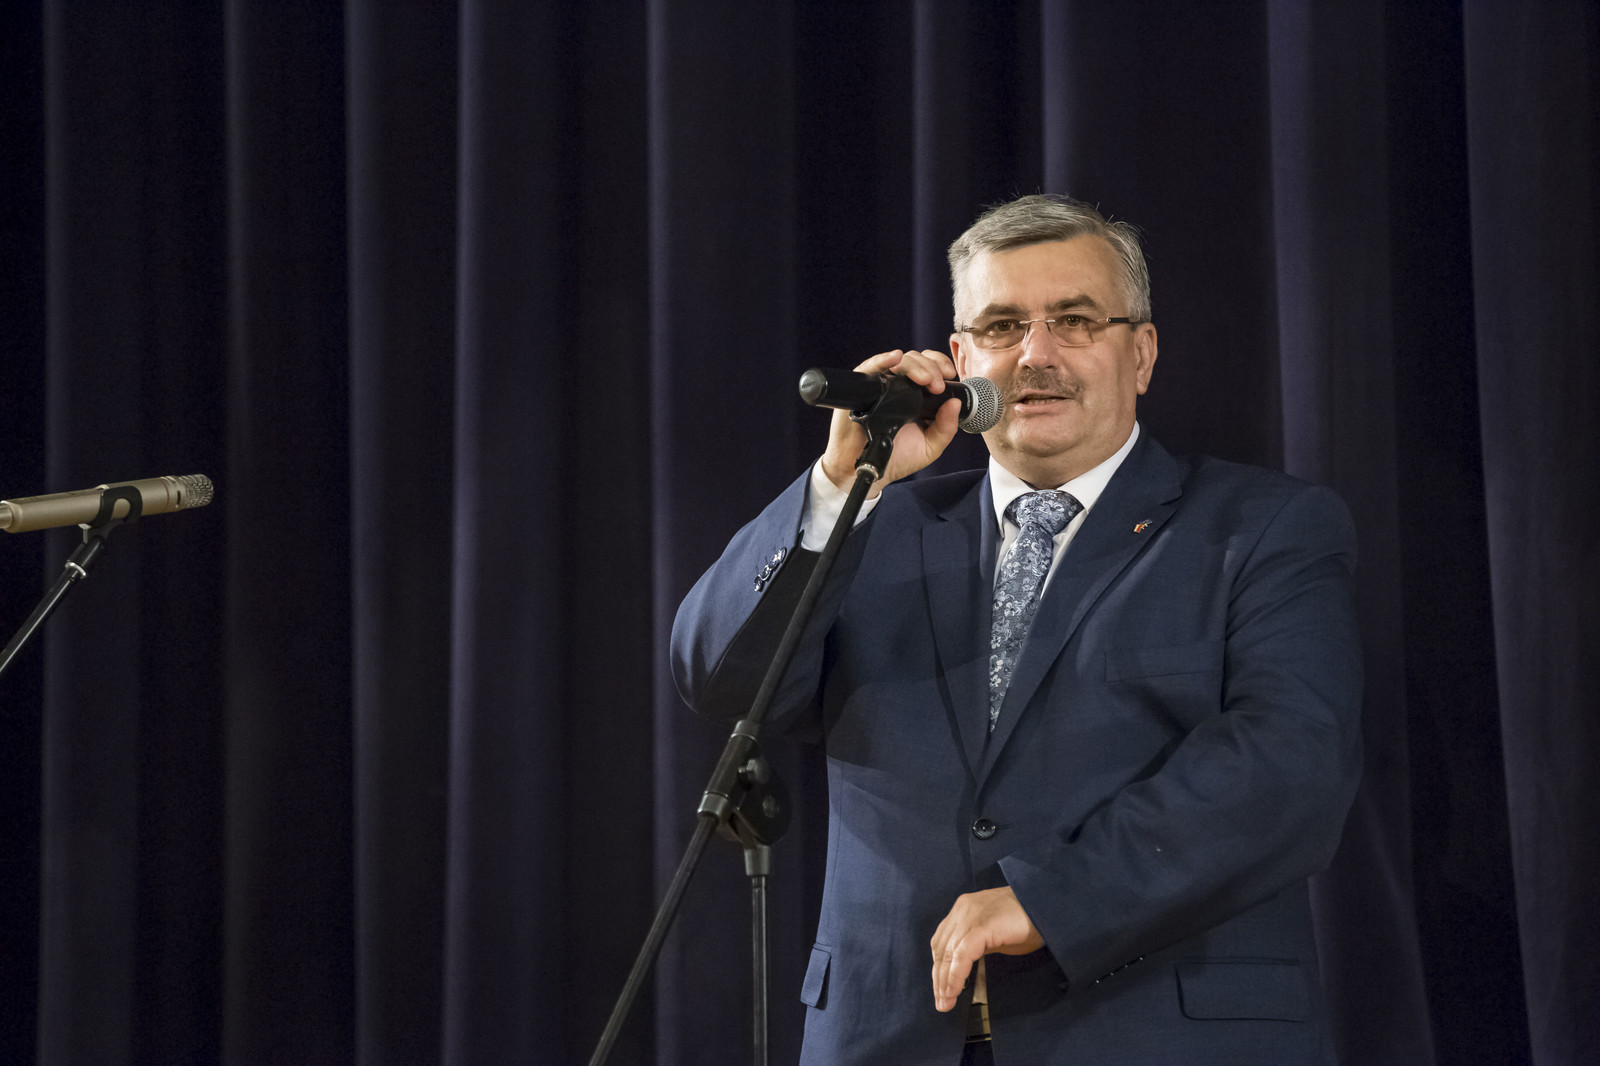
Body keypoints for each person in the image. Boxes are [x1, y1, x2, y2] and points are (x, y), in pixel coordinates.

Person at [671, 194, 1362, 1065]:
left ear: (1141, 354)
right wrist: (842, 484)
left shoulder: (1261, 528)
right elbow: (720, 678)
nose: (1036, 355)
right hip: (887, 1038)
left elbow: (1290, 765)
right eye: (1001, 327)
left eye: (1075, 320)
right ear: (962, 363)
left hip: (1155, 1034)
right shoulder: (874, 527)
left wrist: (1052, 898)